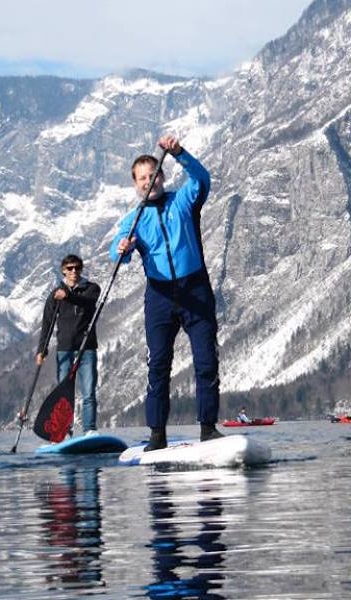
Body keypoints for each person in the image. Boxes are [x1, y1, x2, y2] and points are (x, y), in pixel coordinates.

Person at [110, 135, 223, 451]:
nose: (149, 182)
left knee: (206, 360)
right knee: (158, 365)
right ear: (136, 185)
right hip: (159, 296)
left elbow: (202, 178)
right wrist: (122, 248)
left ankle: (208, 428)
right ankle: (157, 435)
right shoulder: (133, 221)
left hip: (196, 288)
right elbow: (116, 251)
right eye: (142, 178)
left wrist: (179, 153)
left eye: (153, 175)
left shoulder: (184, 200)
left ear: (162, 175)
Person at [37, 254, 102, 436]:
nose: (74, 271)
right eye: (70, 268)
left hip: (86, 348)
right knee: (63, 394)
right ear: (63, 271)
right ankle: (63, 431)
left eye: (78, 268)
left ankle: (89, 430)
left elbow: (88, 302)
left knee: (88, 391)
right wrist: (41, 349)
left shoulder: (91, 288)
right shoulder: (55, 295)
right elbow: (47, 323)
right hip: (64, 348)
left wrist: (68, 296)